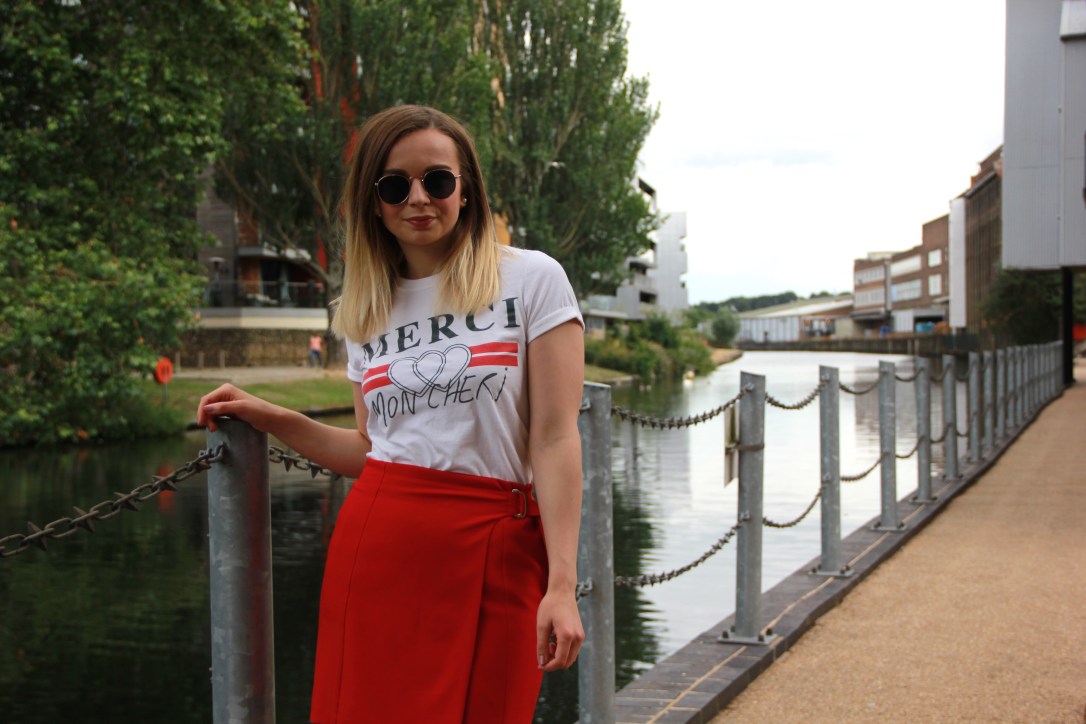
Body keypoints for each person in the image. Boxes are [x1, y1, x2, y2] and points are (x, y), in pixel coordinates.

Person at [196, 105, 585, 723]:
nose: (417, 198)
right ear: (373, 202)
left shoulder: (533, 280)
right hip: (379, 549)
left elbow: (557, 439)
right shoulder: (364, 308)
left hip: (497, 545)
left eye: (437, 179)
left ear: (467, 189)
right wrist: (273, 417)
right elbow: (374, 450)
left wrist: (561, 585)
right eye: (394, 185)